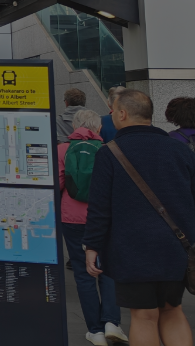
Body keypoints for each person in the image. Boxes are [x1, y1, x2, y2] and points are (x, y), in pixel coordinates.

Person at [85, 89, 195, 346]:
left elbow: (100, 207)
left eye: (112, 112)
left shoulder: (109, 153)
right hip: (176, 247)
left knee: (144, 316)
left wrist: (92, 245)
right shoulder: (180, 151)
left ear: (122, 114)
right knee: (172, 310)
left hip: (133, 250)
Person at [59, 109, 126, 346]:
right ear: (98, 128)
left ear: (75, 127)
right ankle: (111, 322)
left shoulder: (62, 149)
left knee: (82, 272)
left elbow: (57, 184)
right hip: (104, 218)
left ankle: (95, 331)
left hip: (72, 218)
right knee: (107, 269)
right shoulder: (110, 150)